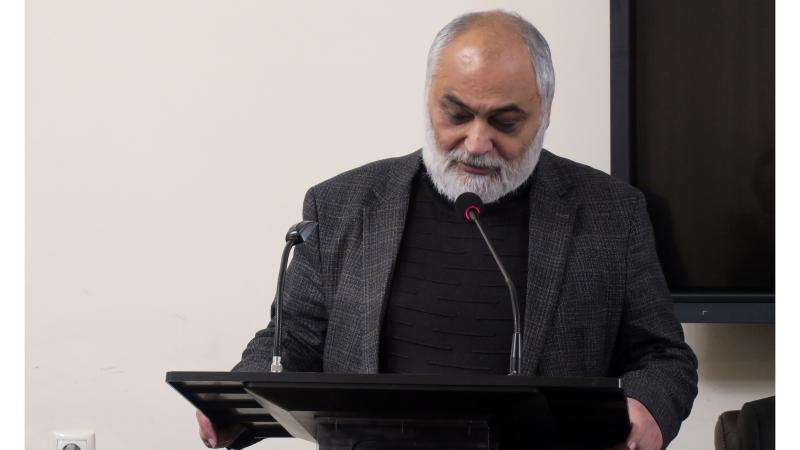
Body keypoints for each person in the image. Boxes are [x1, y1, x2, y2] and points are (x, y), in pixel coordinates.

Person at [197, 10, 698, 450]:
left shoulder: (612, 214)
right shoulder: (341, 205)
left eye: (505, 122)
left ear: (545, 113)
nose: (476, 142)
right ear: (428, 99)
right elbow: (293, 341)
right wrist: (238, 403)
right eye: (456, 114)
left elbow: (663, 355)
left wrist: (649, 409)